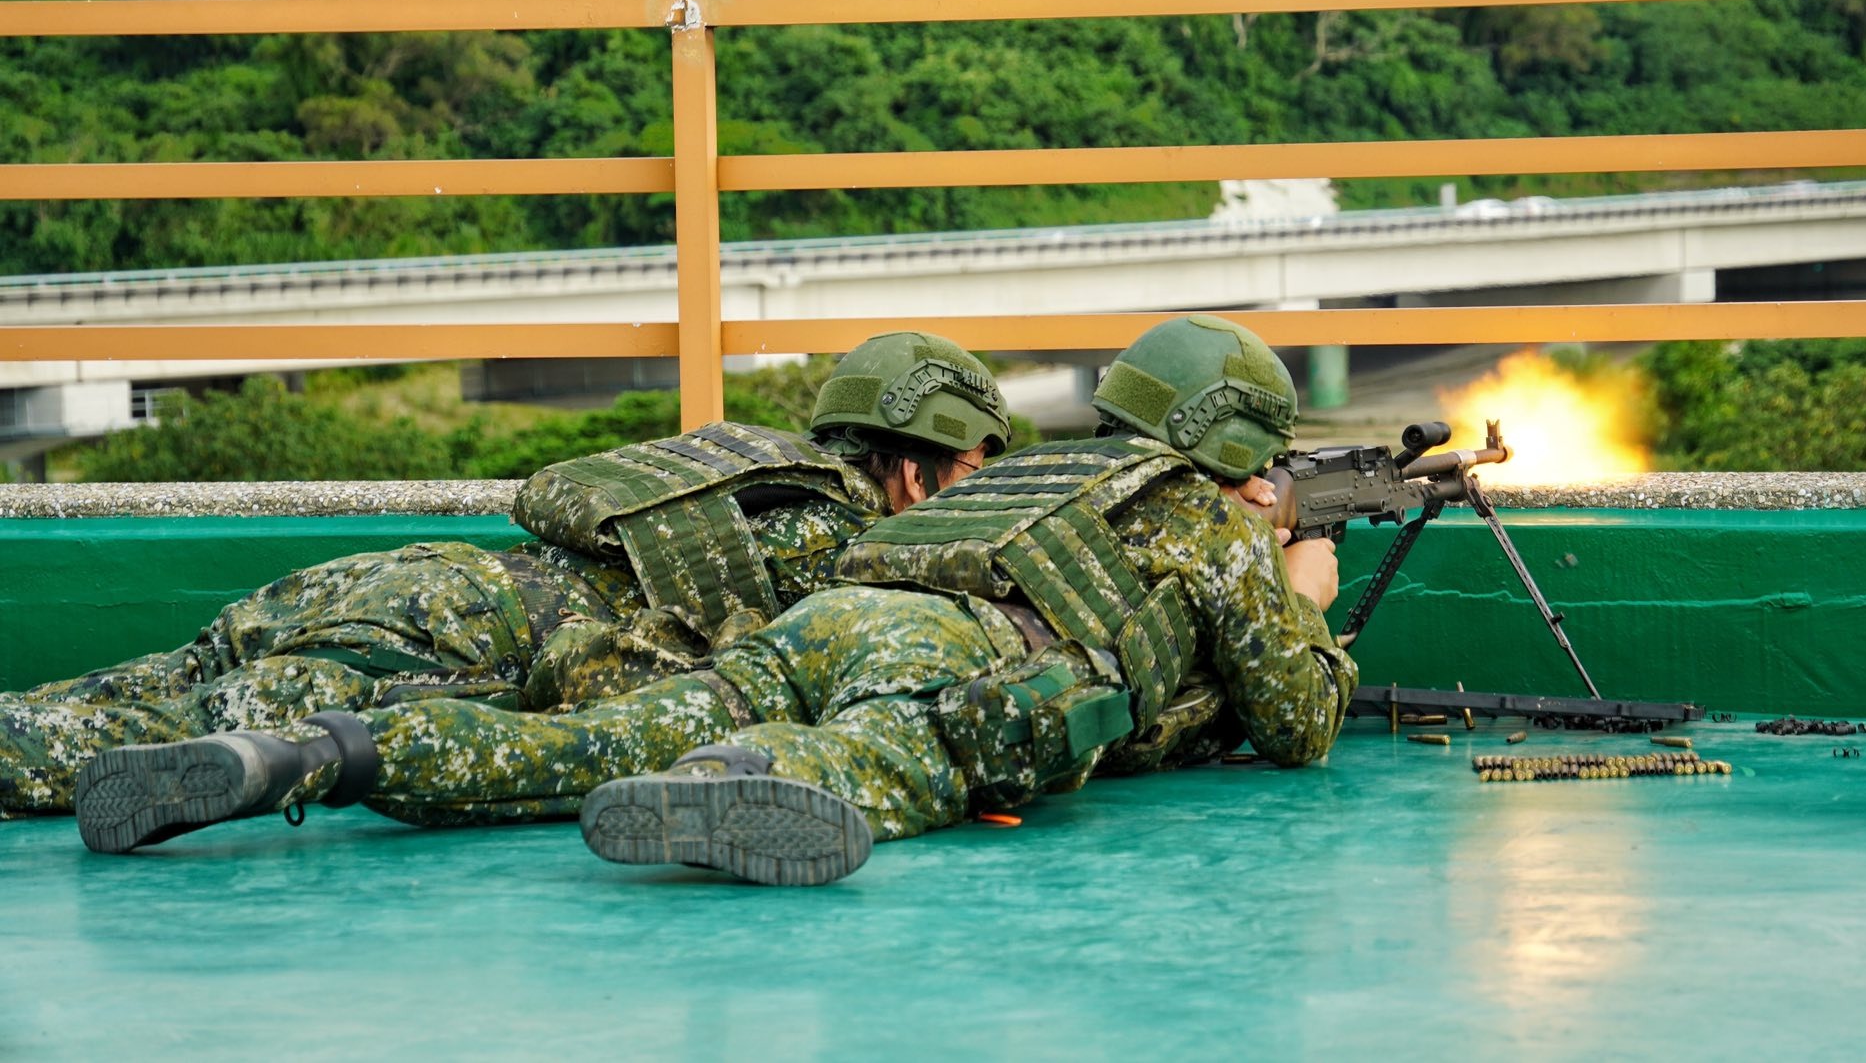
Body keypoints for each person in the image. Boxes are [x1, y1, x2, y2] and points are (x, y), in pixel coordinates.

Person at [74, 315, 1354, 885]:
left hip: (833, 619)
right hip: (954, 662)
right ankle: (726, 777)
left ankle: (313, 753)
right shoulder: (1210, 522)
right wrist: (1307, 597)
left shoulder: (1045, 473)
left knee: (576, 747)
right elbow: (1292, 725)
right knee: (866, 755)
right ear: (1236, 444)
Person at [0, 332, 1009, 816]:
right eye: (970, 472)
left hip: (409, 580)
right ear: (914, 466)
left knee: (131, 687)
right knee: (128, 740)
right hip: (441, 649)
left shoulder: (757, 470)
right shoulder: (831, 541)